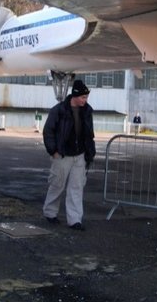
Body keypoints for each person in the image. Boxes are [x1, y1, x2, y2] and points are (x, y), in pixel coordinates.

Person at [42, 80, 96, 230]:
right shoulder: (58, 110)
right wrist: (54, 150)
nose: (86, 100)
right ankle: (50, 213)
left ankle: (75, 220)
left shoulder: (87, 111)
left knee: (76, 187)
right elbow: (48, 131)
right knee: (57, 184)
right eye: (83, 97)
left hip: (80, 155)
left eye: (86, 97)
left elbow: (89, 133)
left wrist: (90, 152)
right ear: (75, 96)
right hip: (62, 155)